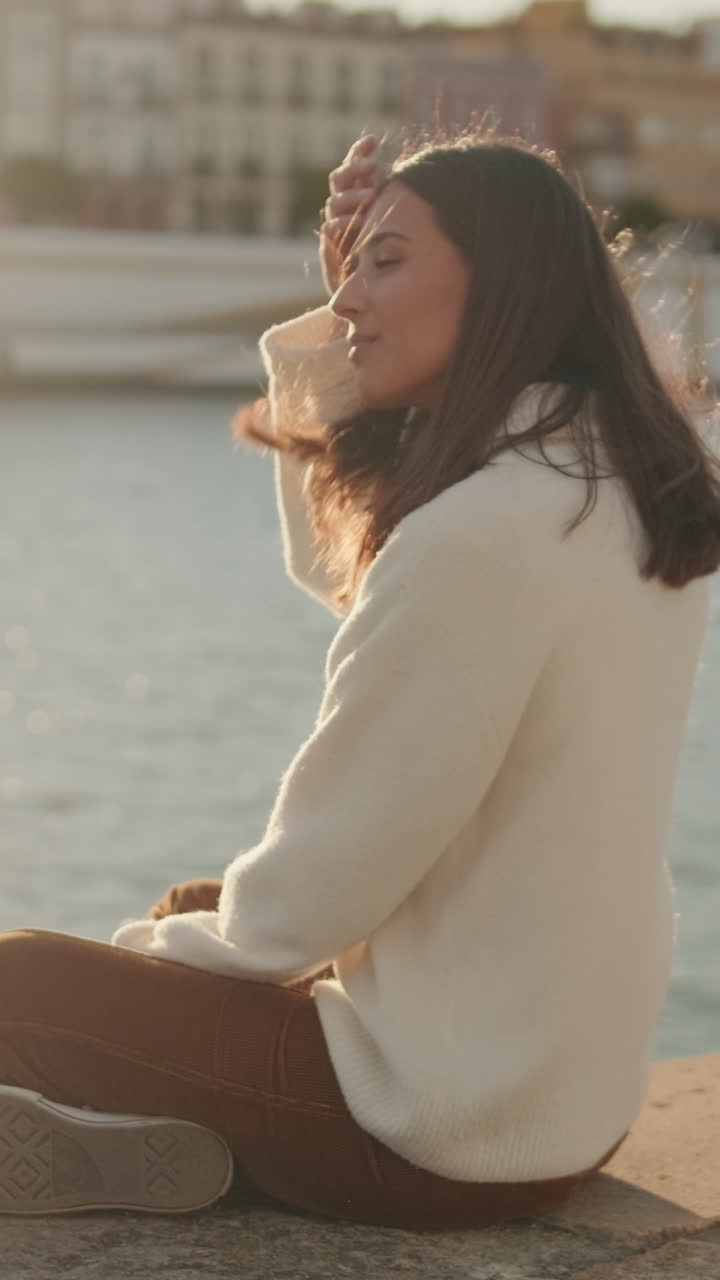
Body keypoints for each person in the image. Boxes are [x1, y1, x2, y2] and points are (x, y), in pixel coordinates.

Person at [0, 125, 718, 1232]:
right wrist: (354, 310)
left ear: (505, 280)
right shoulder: (615, 485)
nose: (346, 302)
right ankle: (156, 1132)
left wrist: (131, 975)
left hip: (442, 1132)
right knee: (193, 908)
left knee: (26, 984)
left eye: (387, 263)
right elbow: (364, 580)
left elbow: (312, 896)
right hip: (567, 1094)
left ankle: (111, 1111)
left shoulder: (479, 535)